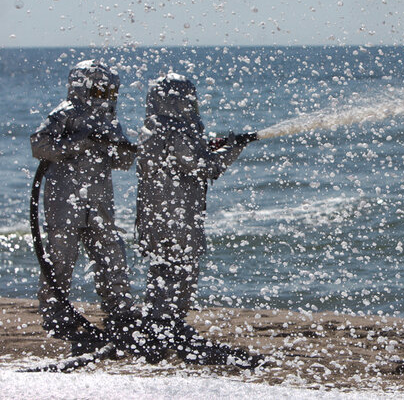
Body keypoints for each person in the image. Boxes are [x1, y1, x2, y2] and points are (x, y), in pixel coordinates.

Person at [135, 72, 252, 363]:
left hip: (158, 215)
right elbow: (204, 167)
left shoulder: (154, 127)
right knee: (181, 269)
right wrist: (234, 147)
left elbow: (183, 159)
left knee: (162, 269)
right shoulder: (175, 130)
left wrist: (212, 145)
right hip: (177, 216)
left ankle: (159, 324)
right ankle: (167, 327)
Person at [30, 59, 138, 355]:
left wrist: (120, 147)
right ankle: (55, 315)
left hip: (100, 203)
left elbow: (123, 162)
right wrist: (81, 142)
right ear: (83, 86)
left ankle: (119, 313)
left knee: (113, 257)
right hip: (64, 201)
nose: (105, 97)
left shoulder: (110, 121)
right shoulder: (64, 114)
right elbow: (39, 146)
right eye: (100, 90)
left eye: (109, 91)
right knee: (61, 261)